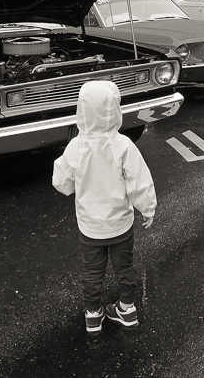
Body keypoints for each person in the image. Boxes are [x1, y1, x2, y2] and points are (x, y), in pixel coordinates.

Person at [52, 80, 156, 335]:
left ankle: (93, 314)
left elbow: (61, 182)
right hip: (121, 224)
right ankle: (127, 309)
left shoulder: (77, 146)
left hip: (90, 226)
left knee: (92, 271)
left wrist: (72, 184)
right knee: (125, 268)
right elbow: (139, 179)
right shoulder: (123, 145)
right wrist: (148, 208)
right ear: (114, 109)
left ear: (82, 110)